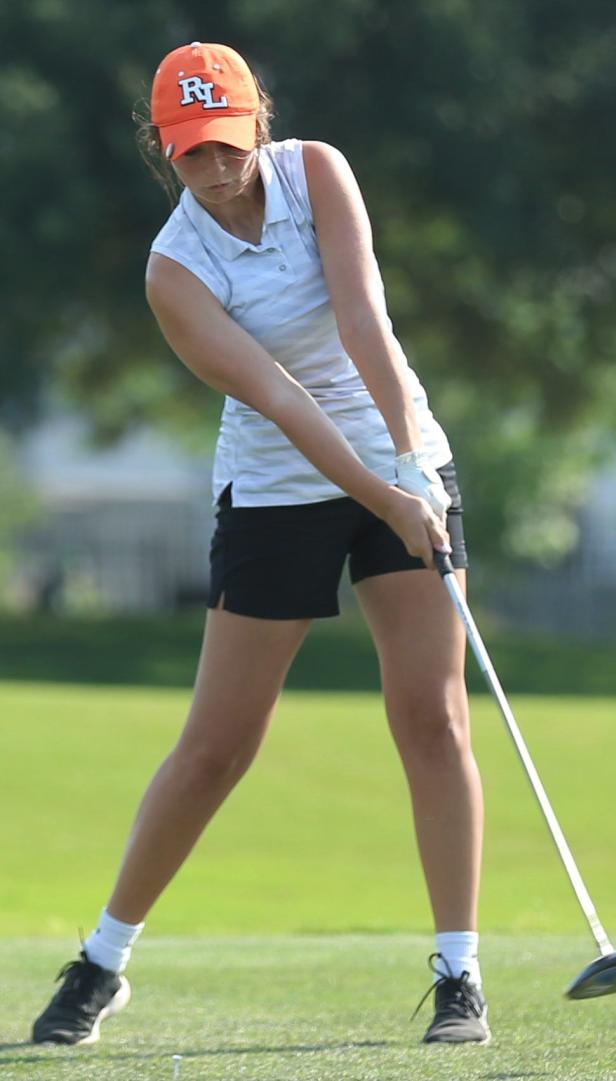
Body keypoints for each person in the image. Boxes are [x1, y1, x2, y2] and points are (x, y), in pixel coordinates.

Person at [32, 42, 488, 1047]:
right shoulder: (173, 272)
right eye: (193, 150)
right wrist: (379, 491)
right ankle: (103, 961)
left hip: (400, 449)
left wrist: (410, 467)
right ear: (165, 149)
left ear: (260, 121)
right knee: (217, 746)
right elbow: (280, 399)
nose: (217, 166)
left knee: (435, 718)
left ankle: (460, 974)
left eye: (229, 141)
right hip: (279, 488)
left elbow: (365, 316)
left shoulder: (317, 170)